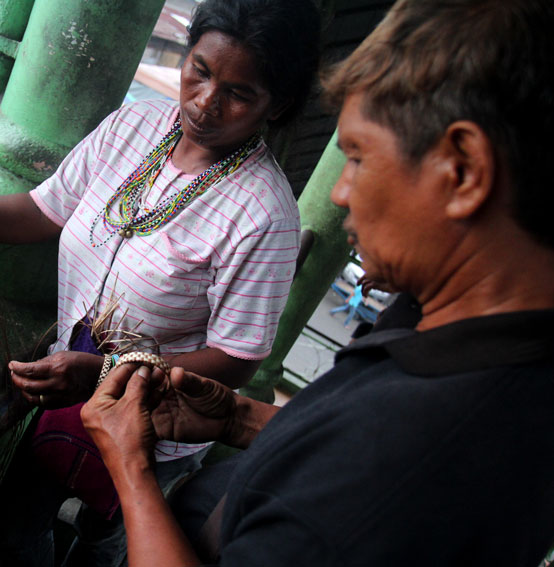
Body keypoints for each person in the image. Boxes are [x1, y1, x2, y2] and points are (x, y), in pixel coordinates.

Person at [80, 0, 554, 565]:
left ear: (462, 171)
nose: (339, 192)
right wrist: (239, 418)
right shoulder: (458, 332)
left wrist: (132, 470)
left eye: (357, 157)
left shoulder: (409, 457)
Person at [0, 0, 320, 563]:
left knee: (107, 544)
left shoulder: (264, 214)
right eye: (199, 71)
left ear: (279, 106)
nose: (205, 102)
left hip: (156, 428)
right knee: (18, 530)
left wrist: (106, 374)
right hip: (63, 387)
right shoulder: (137, 124)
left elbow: (237, 357)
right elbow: (44, 210)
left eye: (239, 94)